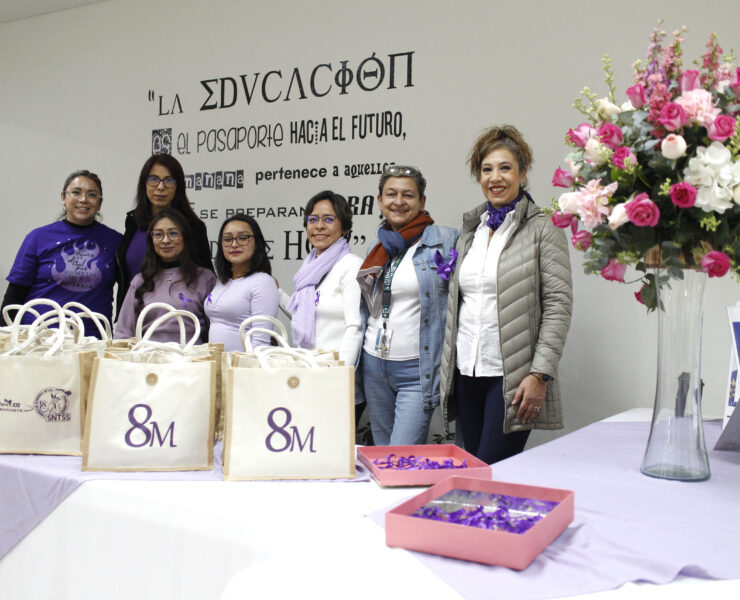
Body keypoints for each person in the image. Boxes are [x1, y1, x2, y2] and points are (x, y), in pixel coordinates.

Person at [440, 125, 573, 464]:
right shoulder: (471, 230)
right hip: (466, 372)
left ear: (522, 173)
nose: (495, 177)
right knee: (473, 467)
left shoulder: (544, 228)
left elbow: (558, 306)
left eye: (505, 168)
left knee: (491, 470)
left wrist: (540, 374)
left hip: (512, 376)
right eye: (487, 169)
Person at [357, 165, 458, 446]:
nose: (398, 201)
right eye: (391, 194)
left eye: (408, 195)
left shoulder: (444, 242)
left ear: (422, 201)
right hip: (374, 364)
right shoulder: (376, 249)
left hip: (416, 369)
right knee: (382, 454)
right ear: (380, 201)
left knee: (402, 455)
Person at [2, 170, 122, 337]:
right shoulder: (38, 238)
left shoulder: (116, 242)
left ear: (100, 203)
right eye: (76, 192)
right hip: (37, 338)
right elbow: (15, 295)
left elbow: (131, 292)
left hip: (93, 340)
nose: (83, 199)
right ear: (63, 198)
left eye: (92, 195)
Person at [116, 154, 212, 315]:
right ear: (144, 183)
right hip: (133, 317)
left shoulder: (193, 227)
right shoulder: (133, 221)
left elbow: (206, 281)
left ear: (178, 186)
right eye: (153, 179)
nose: (160, 187)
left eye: (169, 180)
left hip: (178, 319)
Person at [280, 190, 363, 365]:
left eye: (329, 219)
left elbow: (355, 327)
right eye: (313, 219)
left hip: (335, 369)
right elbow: (304, 315)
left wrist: (342, 372)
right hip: (308, 365)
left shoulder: (351, 266)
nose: (319, 226)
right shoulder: (310, 268)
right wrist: (277, 293)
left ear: (345, 228)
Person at [115, 208, 216, 343]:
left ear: (185, 237)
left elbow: (216, 329)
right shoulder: (140, 281)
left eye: (173, 233)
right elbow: (123, 333)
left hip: (192, 355)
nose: (165, 240)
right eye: (158, 234)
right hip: (148, 355)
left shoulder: (205, 278)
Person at [206, 215, 278, 351]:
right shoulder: (221, 280)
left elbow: (260, 341)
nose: (234, 244)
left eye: (243, 238)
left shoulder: (263, 282)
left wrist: (248, 364)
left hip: (242, 362)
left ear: (257, 242)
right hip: (216, 361)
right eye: (227, 239)